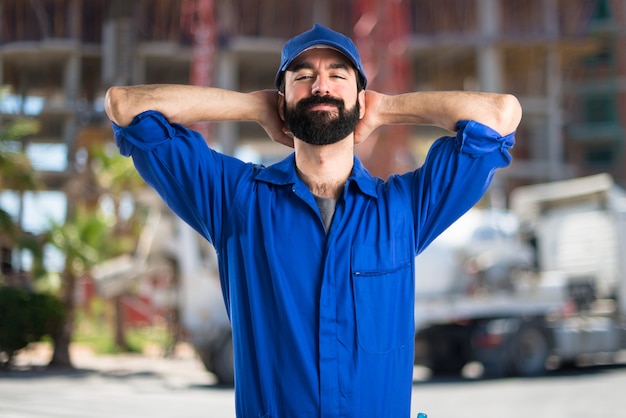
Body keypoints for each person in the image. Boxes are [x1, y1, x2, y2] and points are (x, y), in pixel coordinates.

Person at [105, 24, 521, 418]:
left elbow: (500, 115)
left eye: (338, 76)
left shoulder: (404, 209)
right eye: (302, 77)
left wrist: (388, 108)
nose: (320, 85)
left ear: (361, 97)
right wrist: (253, 106)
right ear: (282, 101)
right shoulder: (236, 202)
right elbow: (127, 107)